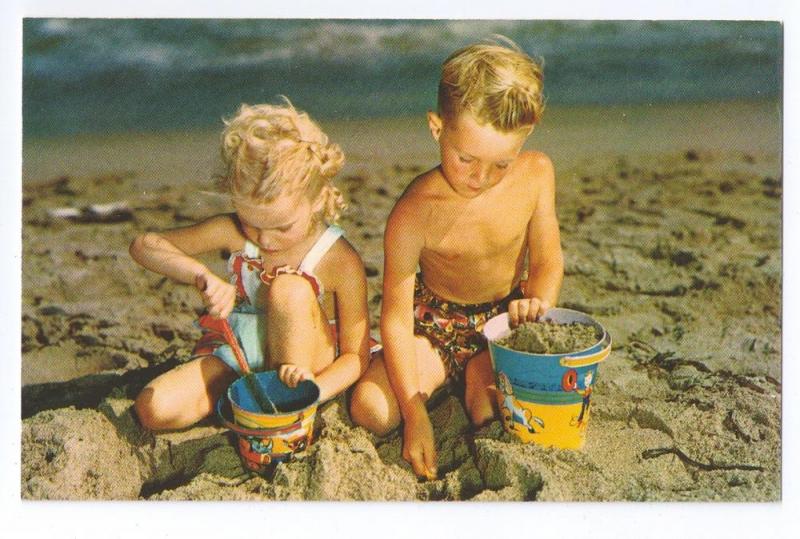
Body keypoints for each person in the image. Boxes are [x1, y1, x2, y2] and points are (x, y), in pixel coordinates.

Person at [349, 39, 564, 480]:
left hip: (504, 319)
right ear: (436, 127)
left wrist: (536, 304)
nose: (480, 178)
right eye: (465, 158)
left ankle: (472, 377)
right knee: (371, 409)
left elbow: (546, 262)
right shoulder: (414, 212)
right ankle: (435, 383)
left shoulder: (537, 173)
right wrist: (414, 414)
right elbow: (394, 318)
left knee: (492, 407)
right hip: (433, 326)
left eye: (501, 164)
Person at [131, 100, 373, 431]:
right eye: (251, 223)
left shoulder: (338, 259)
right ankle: (244, 400)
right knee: (154, 409)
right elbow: (145, 246)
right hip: (242, 350)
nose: (266, 240)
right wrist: (201, 275)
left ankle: (289, 411)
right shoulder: (232, 233)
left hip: (305, 365)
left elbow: (355, 357)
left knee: (288, 288)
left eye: (282, 226)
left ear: (318, 199)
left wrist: (316, 390)